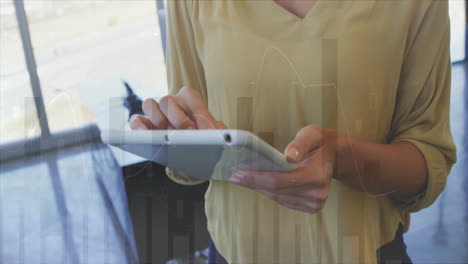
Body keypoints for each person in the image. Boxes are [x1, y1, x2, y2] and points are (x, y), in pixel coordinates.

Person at [130, 0, 457, 263]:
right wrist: (178, 139)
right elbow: (193, 121)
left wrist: (340, 156)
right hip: (235, 253)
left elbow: (428, 161)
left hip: (368, 252)